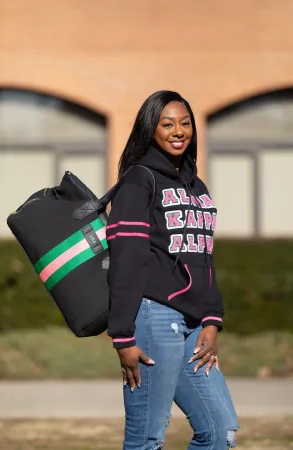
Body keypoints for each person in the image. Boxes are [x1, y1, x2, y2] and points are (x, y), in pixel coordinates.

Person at [106, 90, 239, 450]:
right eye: (167, 124)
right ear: (151, 130)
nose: (178, 131)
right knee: (147, 437)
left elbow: (203, 257)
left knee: (220, 430)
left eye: (185, 123)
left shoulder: (198, 186)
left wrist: (212, 319)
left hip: (194, 325)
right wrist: (122, 335)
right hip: (153, 317)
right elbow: (126, 259)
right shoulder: (139, 180)